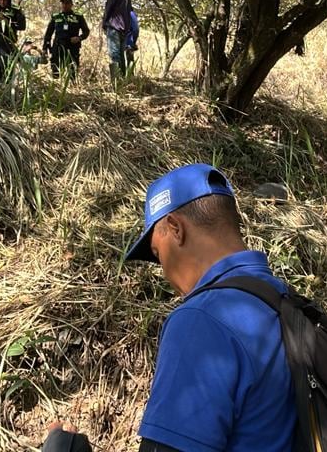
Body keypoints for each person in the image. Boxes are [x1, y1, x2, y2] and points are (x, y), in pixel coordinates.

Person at [43, 164, 296, 452]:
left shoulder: (202, 320)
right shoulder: (286, 302)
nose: (163, 272)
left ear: (175, 228)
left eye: (157, 253)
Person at [42, 0, 90, 81]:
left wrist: (79, 38)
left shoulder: (78, 16)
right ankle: (56, 87)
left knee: (72, 70)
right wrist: (45, 47)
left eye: (67, 3)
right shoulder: (56, 16)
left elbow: (86, 31)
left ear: (71, 4)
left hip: (72, 47)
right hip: (58, 46)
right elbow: (48, 33)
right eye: (63, 3)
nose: (64, 5)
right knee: (55, 70)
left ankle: (72, 86)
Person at [102, 0, 133, 82]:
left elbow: (108, 9)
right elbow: (130, 13)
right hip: (123, 30)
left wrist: (104, 24)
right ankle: (123, 81)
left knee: (114, 56)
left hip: (114, 28)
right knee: (121, 56)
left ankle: (116, 83)